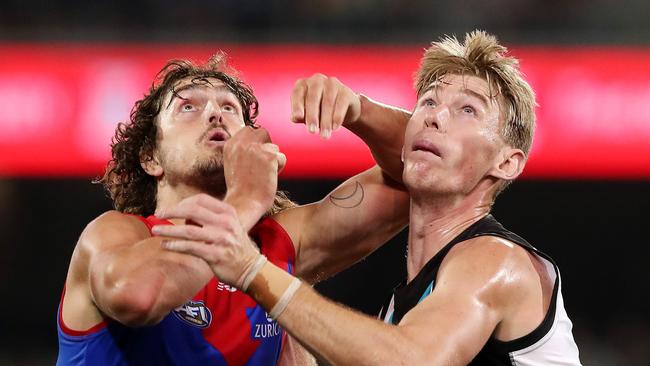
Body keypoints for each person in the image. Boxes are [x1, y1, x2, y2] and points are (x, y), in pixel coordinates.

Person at [159, 31, 582, 365]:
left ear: (508, 163)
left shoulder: (496, 261)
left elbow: (411, 361)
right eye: (428, 102)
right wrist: (356, 109)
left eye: (467, 110)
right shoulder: (402, 312)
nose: (434, 115)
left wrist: (253, 272)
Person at [56, 53, 411, 365]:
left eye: (229, 108)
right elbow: (139, 297)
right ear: (151, 158)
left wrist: (361, 111)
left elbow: (420, 176)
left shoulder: (278, 243)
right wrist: (246, 199)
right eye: (188, 107)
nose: (214, 114)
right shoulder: (113, 234)